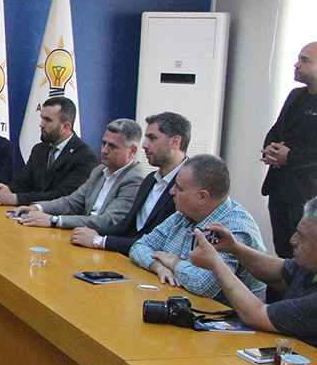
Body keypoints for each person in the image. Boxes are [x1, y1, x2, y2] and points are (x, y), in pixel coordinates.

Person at [129, 154, 267, 305]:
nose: (172, 191)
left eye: (179, 188)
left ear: (202, 197)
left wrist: (174, 262)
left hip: (224, 317)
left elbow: (203, 285)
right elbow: (139, 246)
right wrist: (158, 266)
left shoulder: (234, 229)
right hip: (180, 304)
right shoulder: (184, 214)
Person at [190, 197, 317, 344]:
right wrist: (234, 247)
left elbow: (256, 316)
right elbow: (280, 275)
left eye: (302, 236)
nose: (293, 240)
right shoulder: (310, 266)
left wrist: (215, 263)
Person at [71, 112, 190, 255]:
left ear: (175, 142)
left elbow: (159, 244)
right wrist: (95, 233)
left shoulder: (190, 186)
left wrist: (99, 240)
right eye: (146, 138)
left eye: (152, 138)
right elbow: (127, 226)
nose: (144, 145)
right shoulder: (150, 179)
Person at [8, 118, 143, 230]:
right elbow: (72, 202)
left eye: (112, 146)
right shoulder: (100, 171)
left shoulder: (135, 179)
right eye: (104, 143)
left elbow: (108, 221)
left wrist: (54, 220)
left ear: (132, 151)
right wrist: (37, 208)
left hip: (102, 241)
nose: (104, 150)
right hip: (82, 234)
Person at [0, 97, 97, 206]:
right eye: (42, 118)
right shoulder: (39, 150)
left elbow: (62, 196)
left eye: (48, 120)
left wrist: (15, 199)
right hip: (30, 213)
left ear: (65, 126)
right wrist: (0, 190)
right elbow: (24, 182)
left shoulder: (84, 157)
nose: (41, 124)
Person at [261, 42, 317, 258]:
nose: (297, 65)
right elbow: (276, 130)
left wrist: (290, 157)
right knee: (283, 252)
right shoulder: (295, 95)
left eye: (305, 60)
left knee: (304, 255)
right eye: (298, 59)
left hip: (306, 193)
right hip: (279, 189)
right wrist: (270, 150)